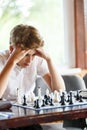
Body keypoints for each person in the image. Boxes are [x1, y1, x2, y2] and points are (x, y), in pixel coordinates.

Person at [0, 24, 65, 130]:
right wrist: (12, 61)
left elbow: (60, 90)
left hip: (27, 115)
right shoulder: (1, 59)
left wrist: (49, 60)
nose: (30, 60)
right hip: (5, 116)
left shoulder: (36, 60)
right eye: (26, 55)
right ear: (11, 49)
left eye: (33, 55)